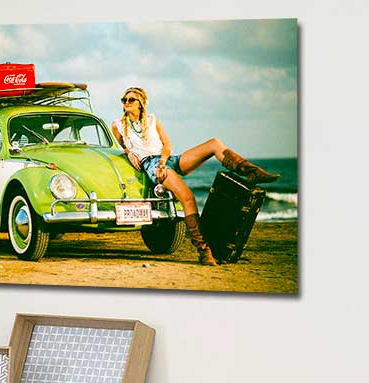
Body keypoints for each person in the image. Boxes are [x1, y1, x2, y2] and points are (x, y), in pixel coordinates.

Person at [110, 86, 278, 266]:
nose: (126, 103)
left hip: (167, 159)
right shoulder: (117, 125)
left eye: (131, 100)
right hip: (152, 165)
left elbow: (167, 144)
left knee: (214, 144)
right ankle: (204, 251)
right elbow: (125, 146)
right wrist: (130, 153)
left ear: (141, 103)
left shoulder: (152, 120)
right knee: (188, 198)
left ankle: (251, 173)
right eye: (124, 100)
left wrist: (164, 161)